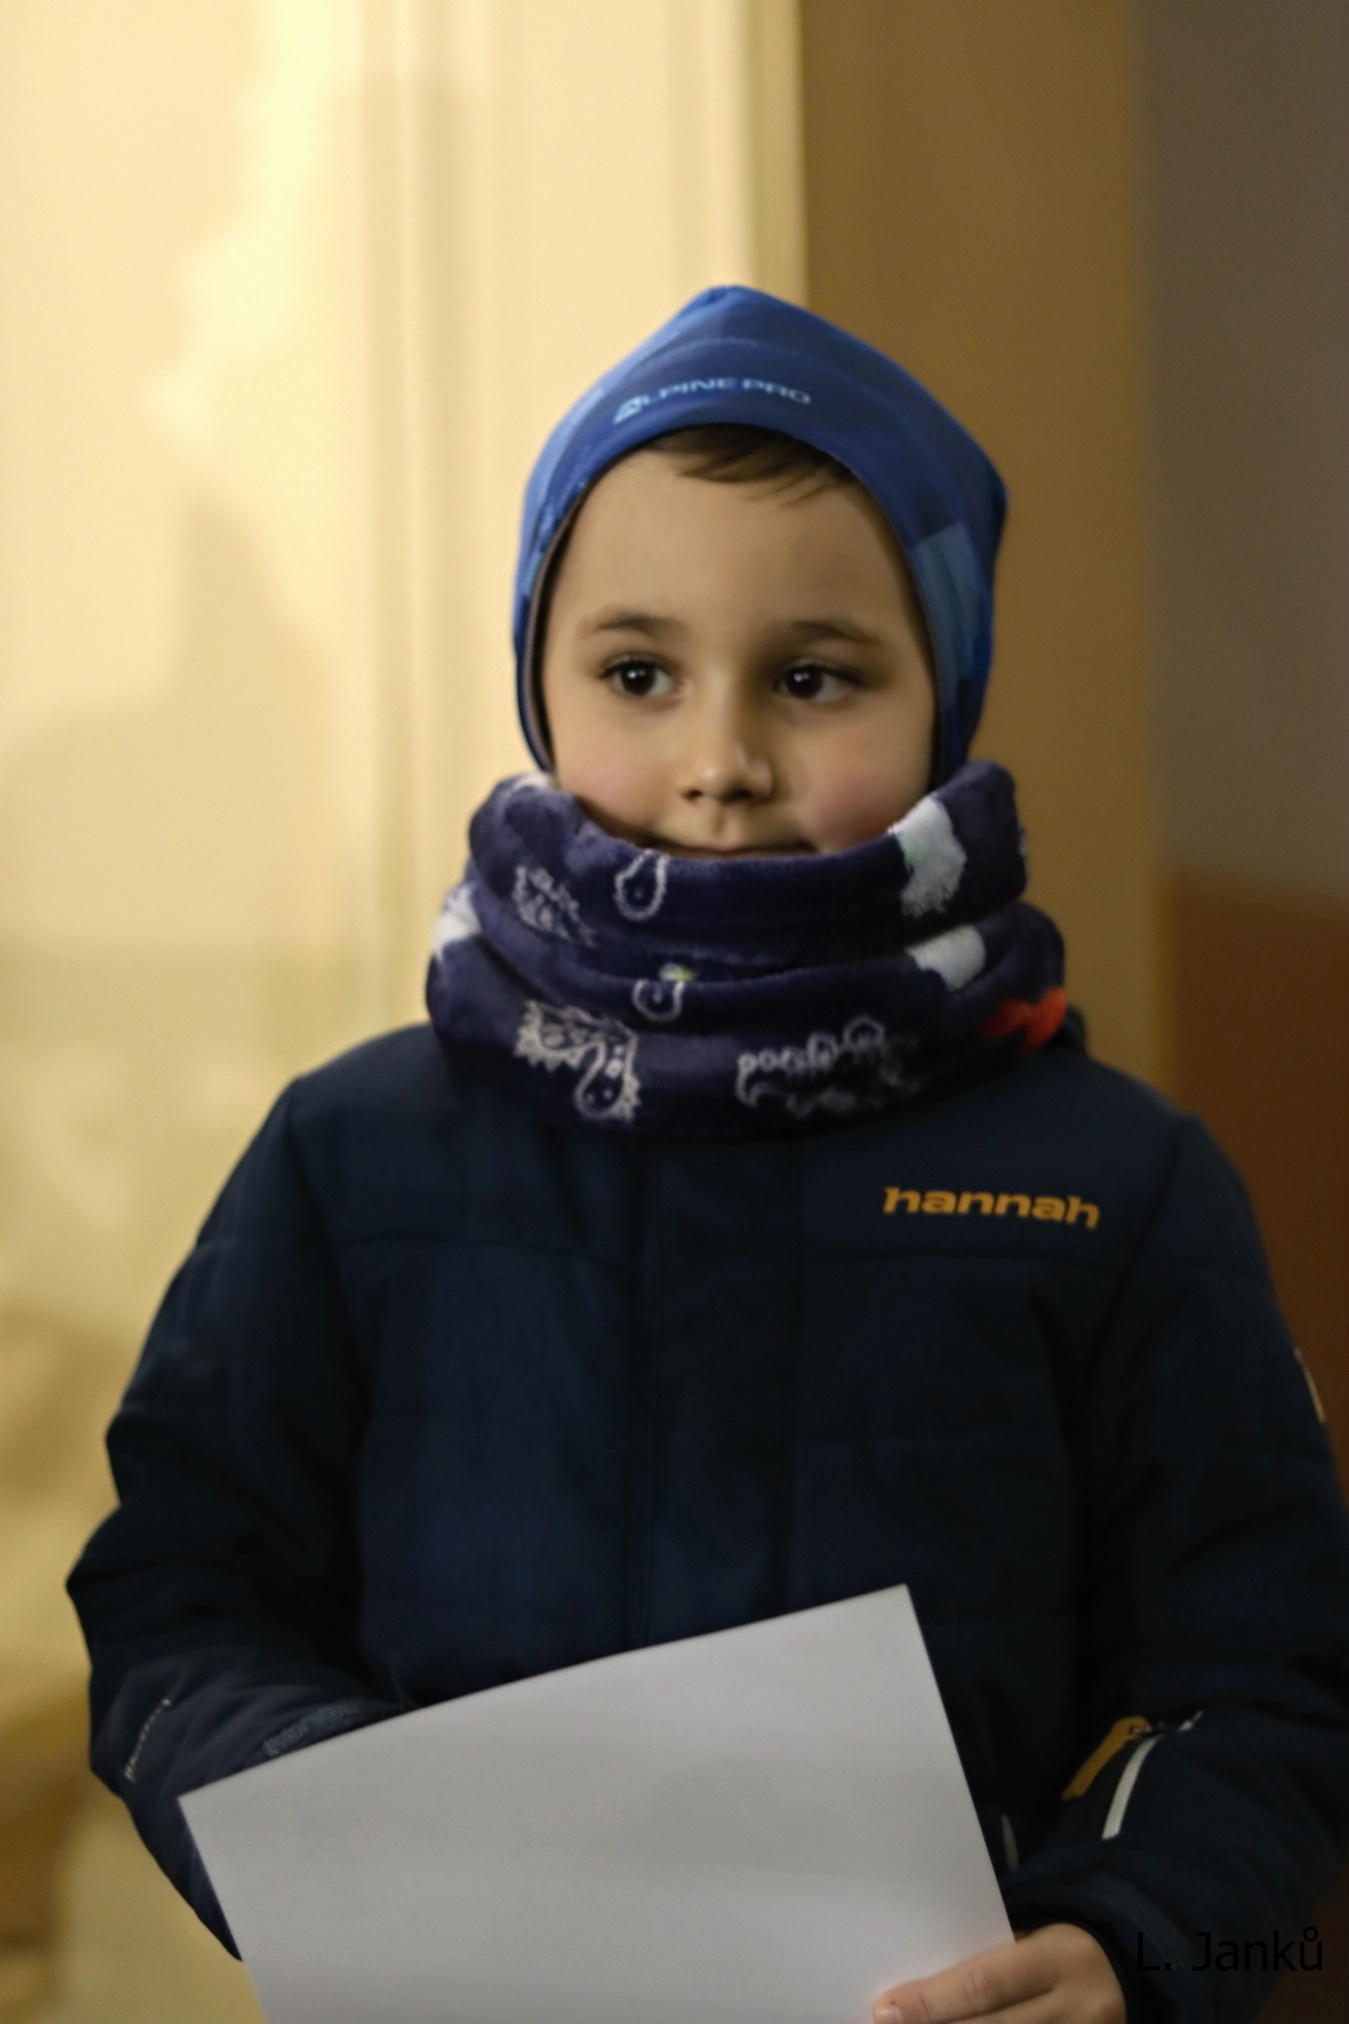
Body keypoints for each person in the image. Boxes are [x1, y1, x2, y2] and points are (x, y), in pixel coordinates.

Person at [69, 287, 1349, 2024]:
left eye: (813, 678)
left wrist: (1141, 1941)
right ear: (538, 685)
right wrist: (343, 1828)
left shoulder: (1116, 1185)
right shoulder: (348, 1156)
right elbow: (180, 1596)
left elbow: (1270, 1675)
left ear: (945, 696)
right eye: (636, 674)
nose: (721, 762)